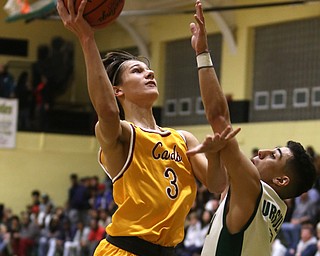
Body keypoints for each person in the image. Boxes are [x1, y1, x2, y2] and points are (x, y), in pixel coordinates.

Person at [56, 0, 239, 255]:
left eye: (149, 69)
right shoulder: (123, 135)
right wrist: (87, 38)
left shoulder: (182, 138)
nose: (149, 73)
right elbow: (107, 111)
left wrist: (214, 154)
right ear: (117, 90)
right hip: (125, 250)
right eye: (137, 71)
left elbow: (218, 185)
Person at [186, 1, 317, 255]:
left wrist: (202, 52)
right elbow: (218, 184)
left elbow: (219, 117)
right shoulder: (273, 206)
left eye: (274, 156)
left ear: (281, 179)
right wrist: (214, 155)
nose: (264, 151)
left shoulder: (253, 188)